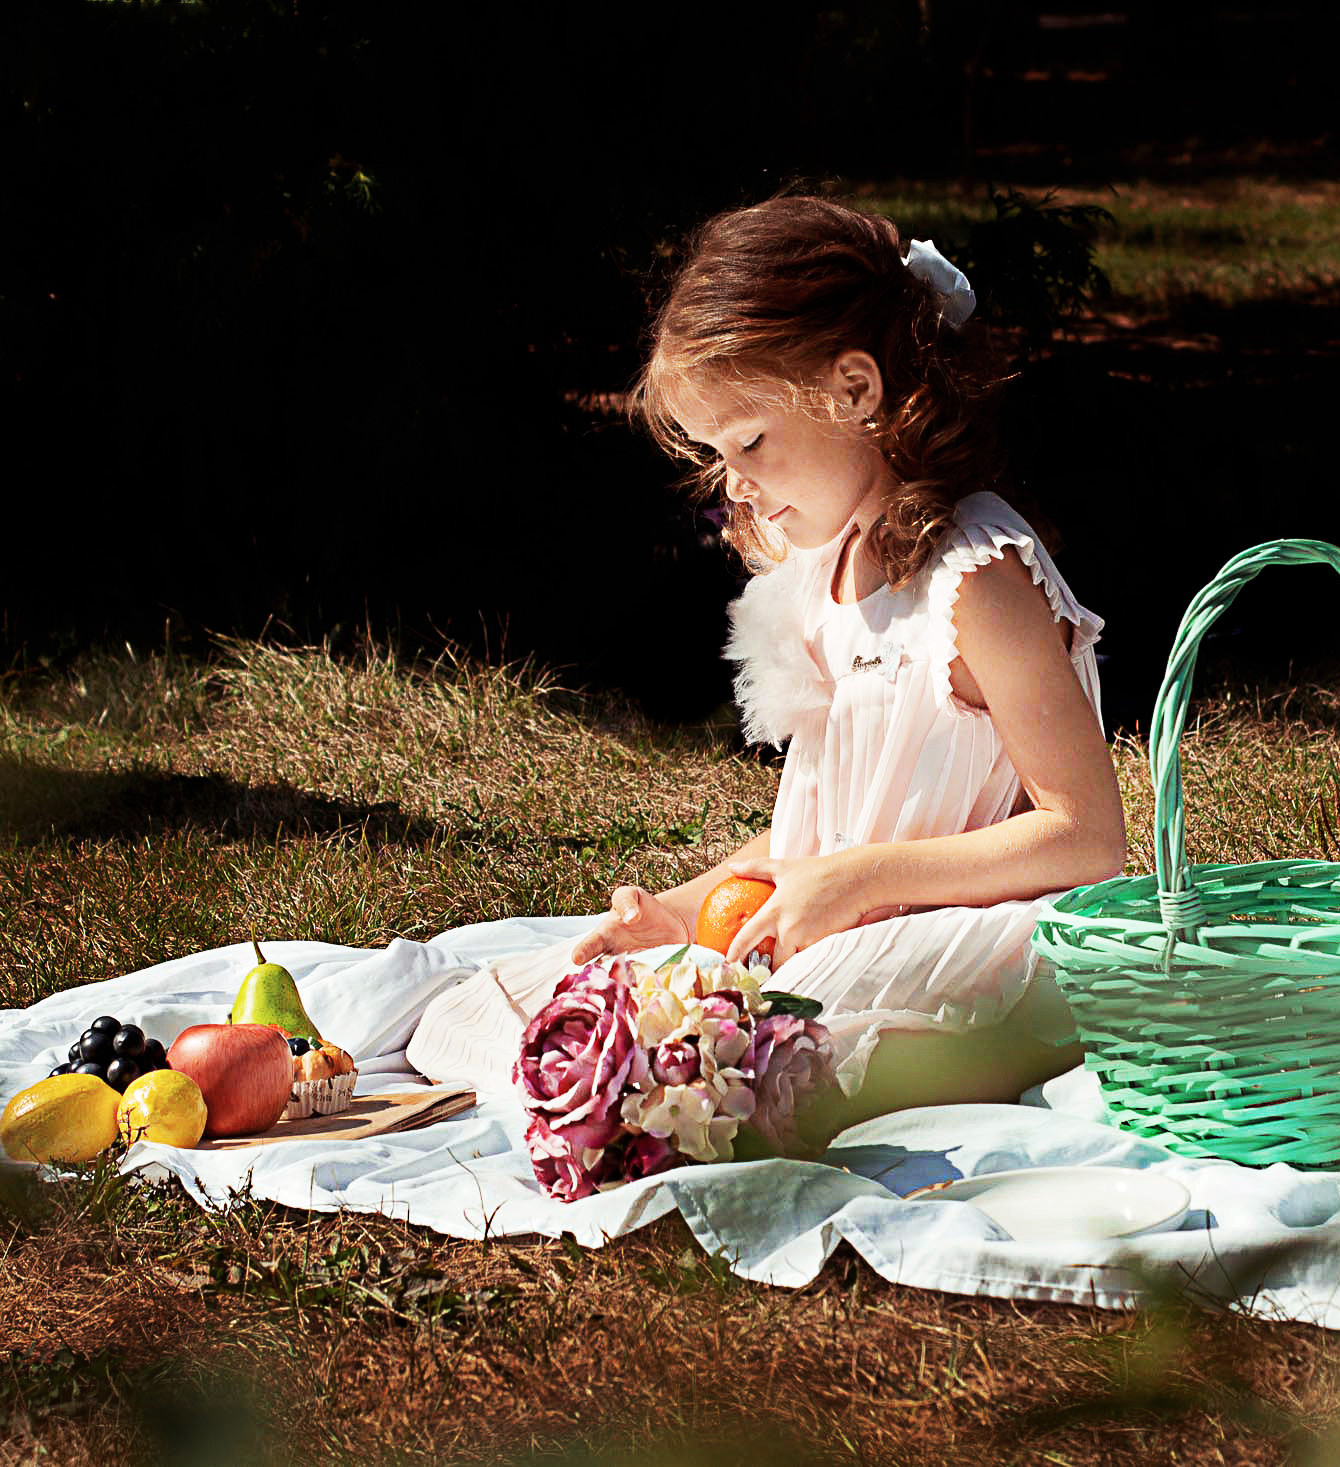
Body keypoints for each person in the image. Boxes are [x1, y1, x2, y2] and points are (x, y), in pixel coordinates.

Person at [405, 196, 1126, 1151]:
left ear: (858, 390)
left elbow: (1087, 837)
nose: (735, 484)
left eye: (750, 442)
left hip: (966, 929)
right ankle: (806, 1066)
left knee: (751, 1035)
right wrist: (676, 908)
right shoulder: (824, 569)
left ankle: (944, 1060)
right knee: (516, 1008)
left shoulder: (976, 577)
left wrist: (858, 881)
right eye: (716, 455)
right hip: (845, 917)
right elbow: (813, 844)